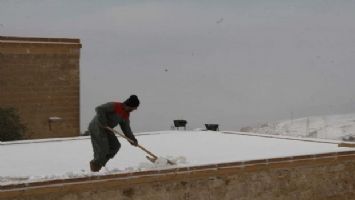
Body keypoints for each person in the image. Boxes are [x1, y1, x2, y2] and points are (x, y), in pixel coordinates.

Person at [88, 95, 140, 172]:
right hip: (97, 127)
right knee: (103, 149)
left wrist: (132, 140)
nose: (134, 109)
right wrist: (103, 121)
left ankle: (99, 163)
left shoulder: (125, 114)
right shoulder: (115, 106)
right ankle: (95, 169)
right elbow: (99, 108)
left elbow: (126, 129)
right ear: (129, 105)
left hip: (107, 129)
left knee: (115, 146)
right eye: (134, 108)